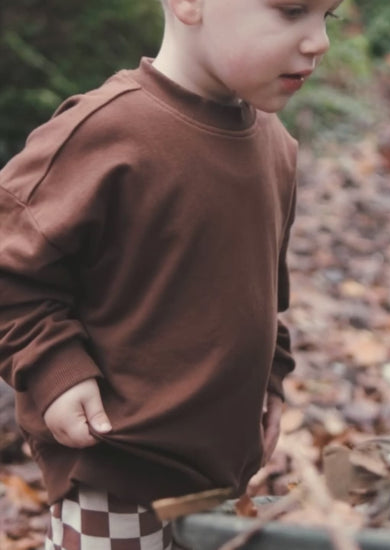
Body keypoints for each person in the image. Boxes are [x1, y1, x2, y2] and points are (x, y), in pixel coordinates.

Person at [0, 0, 342, 548]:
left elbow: (260, 290)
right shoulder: (107, 130)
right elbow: (11, 269)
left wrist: (272, 376)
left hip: (225, 477)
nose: (319, 40)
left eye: (330, 16)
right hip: (118, 471)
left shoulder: (276, 146)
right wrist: (52, 367)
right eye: (292, 10)